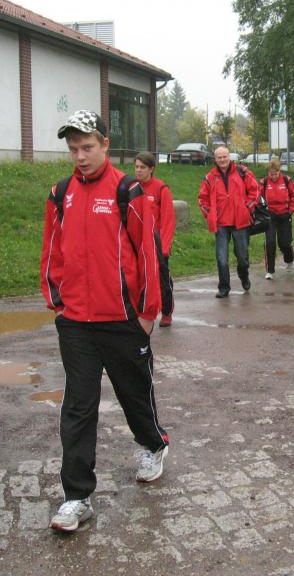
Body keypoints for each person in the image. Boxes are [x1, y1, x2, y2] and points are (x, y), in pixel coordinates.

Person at [41, 110, 166, 533]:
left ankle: (153, 444)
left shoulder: (128, 191)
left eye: (87, 147)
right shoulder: (60, 194)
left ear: (105, 145)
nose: (80, 156)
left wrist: (147, 313)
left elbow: (147, 253)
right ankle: (77, 497)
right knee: (79, 406)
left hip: (122, 319)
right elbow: (51, 251)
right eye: (73, 149)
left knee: (134, 393)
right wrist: (57, 302)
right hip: (76, 321)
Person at [198, 146, 259, 297]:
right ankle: (224, 288)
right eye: (219, 157)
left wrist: (247, 208)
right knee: (221, 259)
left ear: (229, 157)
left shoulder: (243, 172)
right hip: (221, 224)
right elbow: (202, 199)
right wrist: (210, 215)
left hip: (241, 222)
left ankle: (243, 275)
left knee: (242, 258)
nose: (222, 160)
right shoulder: (210, 177)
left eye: (224, 156)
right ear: (215, 159)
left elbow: (255, 191)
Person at [134, 152, 176, 327]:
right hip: (137, 243)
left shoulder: (161, 189)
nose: (138, 170)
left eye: (142, 167)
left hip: (157, 243)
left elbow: (168, 220)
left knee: (162, 279)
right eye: (136, 167)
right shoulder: (131, 188)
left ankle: (166, 312)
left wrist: (164, 248)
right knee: (136, 279)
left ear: (151, 169)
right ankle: (138, 312)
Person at [260, 158, 294, 279]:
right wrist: (265, 212)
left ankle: (289, 260)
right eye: (271, 174)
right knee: (270, 243)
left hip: (285, 215)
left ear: (279, 171)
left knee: (284, 243)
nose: (273, 176)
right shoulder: (264, 182)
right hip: (270, 217)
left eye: (275, 174)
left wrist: (290, 211)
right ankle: (270, 271)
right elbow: (258, 199)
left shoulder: (287, 180)